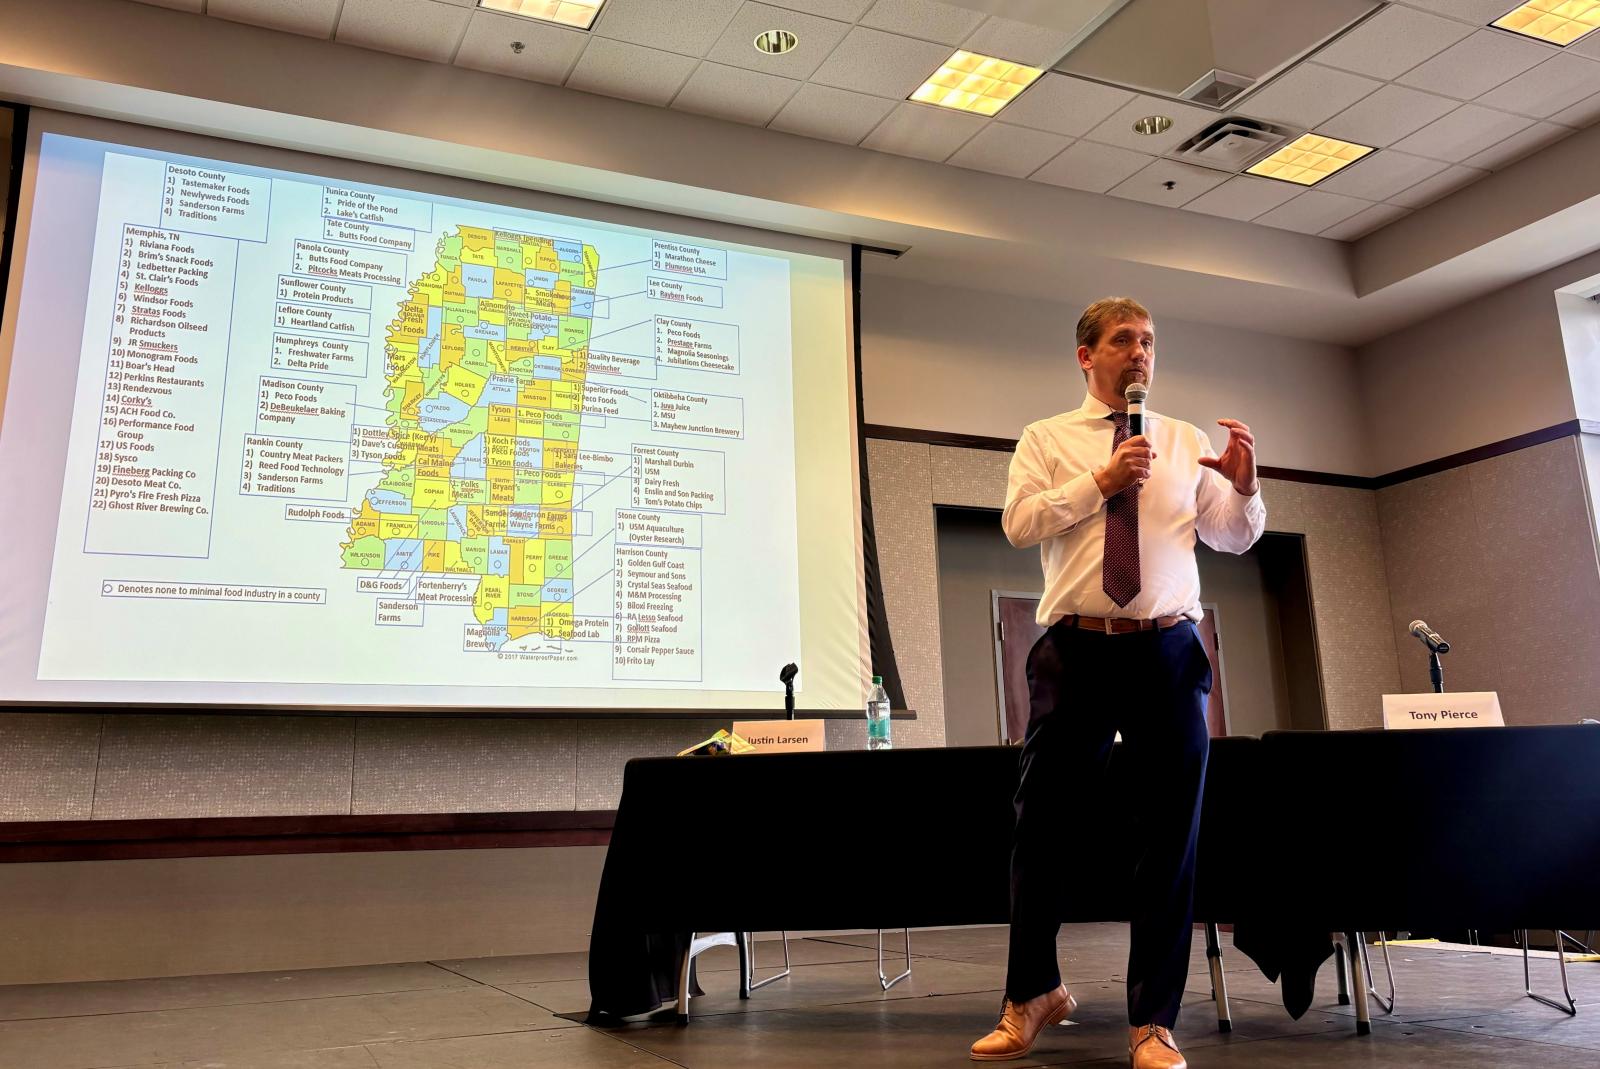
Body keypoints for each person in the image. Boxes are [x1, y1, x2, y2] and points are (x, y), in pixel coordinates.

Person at [970, 297, 1265, 1067]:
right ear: (1086, 355)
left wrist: (1246, 488)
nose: (1141, 353)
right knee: (1042, 824)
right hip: (1077, 648)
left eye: (1150, 342)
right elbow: (1019, 523)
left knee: (1171, 835)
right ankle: (1033, 991)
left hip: (1167, 648)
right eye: (1125, 340)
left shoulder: (1182, 439)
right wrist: (1099, 482)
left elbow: (1232, 536)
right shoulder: (1046, 438)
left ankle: (1153, 1021)